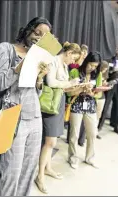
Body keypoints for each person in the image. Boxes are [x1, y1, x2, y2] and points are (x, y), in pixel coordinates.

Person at [0, 17, 50, 196]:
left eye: (44, 37)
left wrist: (40, 78)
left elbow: (36, 93)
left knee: (28, 172)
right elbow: (0, 83)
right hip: (13, 118)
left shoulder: (39, 56)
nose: (39, 38)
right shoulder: (4, 49)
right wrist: (20, 67)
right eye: (37, 33)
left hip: (34, 117)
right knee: (11, 172)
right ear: (27, 30)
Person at [35, 42, 81, 194]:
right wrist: (69, 82)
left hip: (59, 102)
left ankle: (47, 168)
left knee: (50, 141)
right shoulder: (54, 61)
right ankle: (40, 175)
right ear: (68, 53)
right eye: (73, 57)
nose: (73, 62)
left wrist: (76, 87)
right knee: (50, 141)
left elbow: (63, 87)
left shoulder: (64, 66)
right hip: (50, 105)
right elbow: (51, 82)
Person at [67, 52, 102, 169]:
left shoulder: (97, 75)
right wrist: (81, 89)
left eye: (95, 66)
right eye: (91, 65)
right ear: (86, 62)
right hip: (76, 105)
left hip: (91, 106)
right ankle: (73, 157)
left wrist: (92, 93)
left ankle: (90, 158)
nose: (92, 68)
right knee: (74, 134)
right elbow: (69, 92)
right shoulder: (75, 72)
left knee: (92, 133)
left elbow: (99, 93)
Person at [98, 45, 118, 135]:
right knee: (105, 107)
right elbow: (105, 72)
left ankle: (116, 127)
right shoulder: (108, 60)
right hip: (109, 86)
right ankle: (99, 127)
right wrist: (114, 71)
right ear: (116, 50)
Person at [96, 60, 110, 139]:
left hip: (102, 96)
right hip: (95, 96)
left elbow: (104, 83)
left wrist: (106, 84)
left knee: (98, 116)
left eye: (106, 69)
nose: (105, 70)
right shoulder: (96, 74)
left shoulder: (104, 74)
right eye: (104, 69)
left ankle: (95, 131)